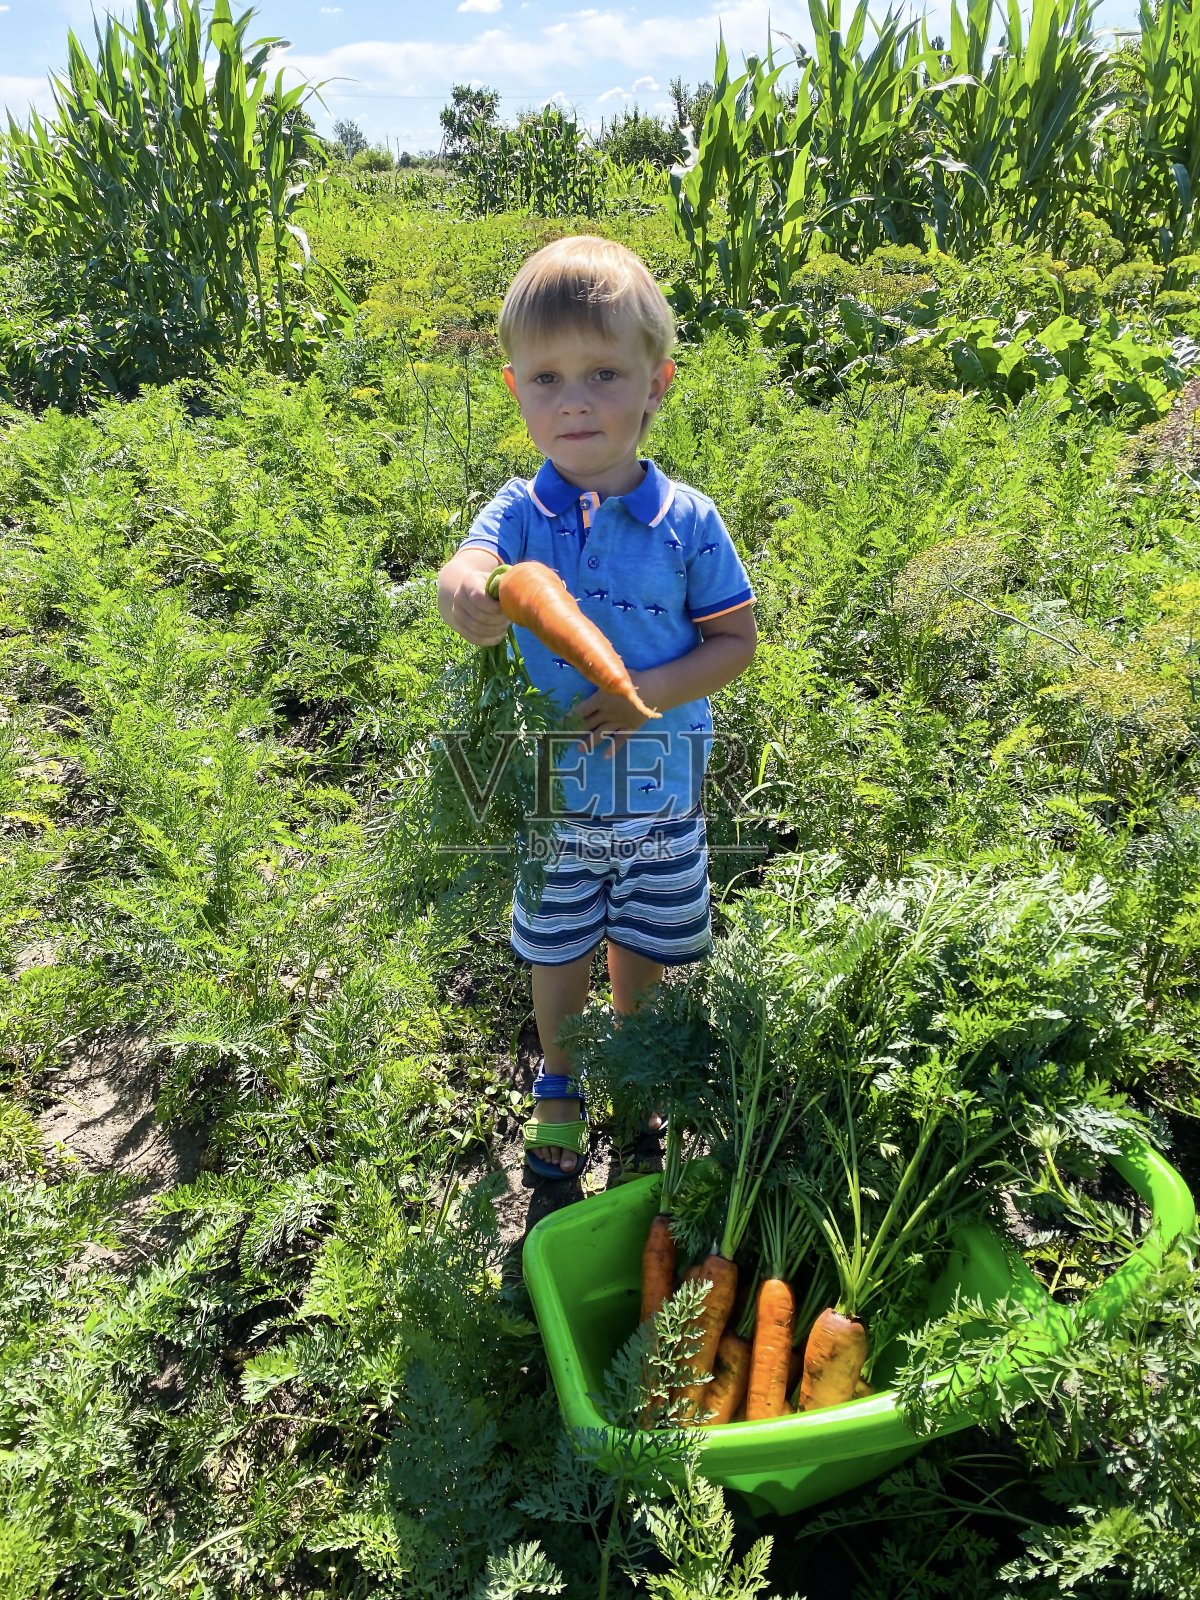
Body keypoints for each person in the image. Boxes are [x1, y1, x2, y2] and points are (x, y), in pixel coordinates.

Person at [436, 235, 757, 1177]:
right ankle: (563, 1075)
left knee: (648, 934)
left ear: (657, 383)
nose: (573, 400)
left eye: (603, 372)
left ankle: (636, 1063)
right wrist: (466, 591)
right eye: (547, 378)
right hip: (554, 785)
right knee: (558, 935)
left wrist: (642, 695)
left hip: (661, 780)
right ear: (515, 390)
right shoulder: (517, 513)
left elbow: (733, 644)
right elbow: (472, 566)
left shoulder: (690, 521)